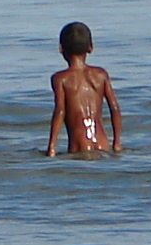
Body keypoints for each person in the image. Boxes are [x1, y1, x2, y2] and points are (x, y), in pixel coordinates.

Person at [44, 22, 122, 156]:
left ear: (61, 48)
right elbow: (114, 108)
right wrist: (117, 142)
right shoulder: (101, 75)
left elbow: (60, 111)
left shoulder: (60, 79)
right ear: (90, 48)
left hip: (79, 145)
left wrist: (51, 147)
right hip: (103, 144)